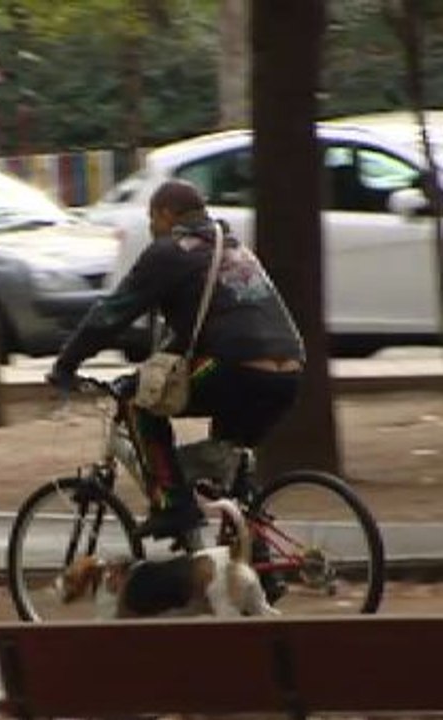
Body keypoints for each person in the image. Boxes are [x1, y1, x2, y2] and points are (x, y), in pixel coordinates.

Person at [48, 179, 304, 540]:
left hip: (233, 364)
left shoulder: (169, 253)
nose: (153, 230)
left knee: (138, 403)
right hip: (289, 370)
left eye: (153, 220)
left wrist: (66, 364)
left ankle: (171, 505)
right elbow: (189, 336)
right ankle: (252, 558)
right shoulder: (232, 248)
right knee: (226, 461)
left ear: (166, 214)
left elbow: (112, 314)